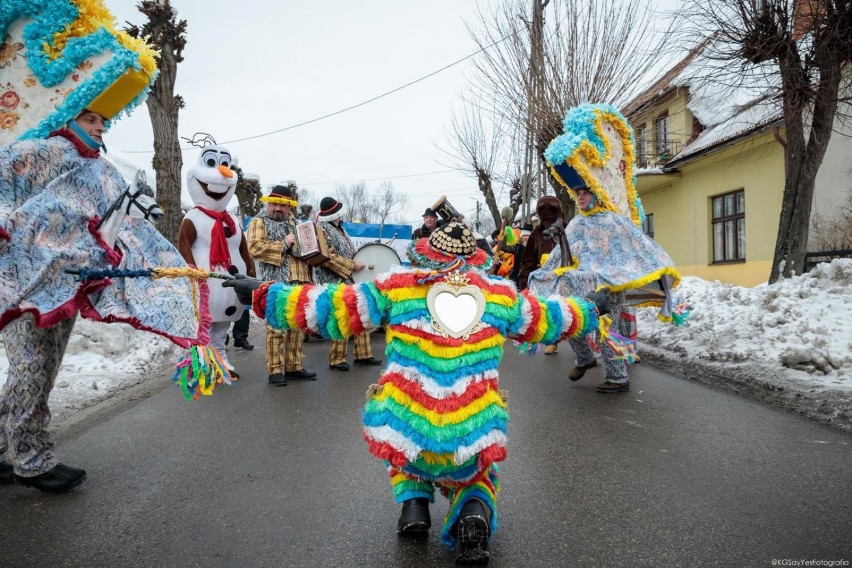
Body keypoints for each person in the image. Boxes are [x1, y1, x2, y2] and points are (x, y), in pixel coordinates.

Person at [224, 222, 609, 565]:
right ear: (474, 258)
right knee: (476, 471)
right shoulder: (501, 297)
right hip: (470, 424)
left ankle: (414, 508)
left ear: (427, 253)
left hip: (410, 420)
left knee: (405, 452)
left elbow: (332, 308)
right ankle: (473, 508)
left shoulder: (397, 288)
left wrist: (263, 294)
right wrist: (591, 309)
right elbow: (548, 319)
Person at [0, 6, 184, 492]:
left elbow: (112, 222)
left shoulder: (99, 168)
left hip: (67, 284)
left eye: (104, 120)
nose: (103, 127)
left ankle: (4, 447)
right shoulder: (36, 152)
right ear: (68, 116)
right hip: (25, 284)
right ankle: (32, 460)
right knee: (31, 370)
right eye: (93, 118)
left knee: (37, 371)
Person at [528, 102, 681, 393]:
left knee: (606, 325)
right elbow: (563, 255)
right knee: (568, 317)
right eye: (578, 193)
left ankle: (618, 377)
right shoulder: (575, 224)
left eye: (586, 192)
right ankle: (585, 359)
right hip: (582, 285)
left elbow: (637, 246)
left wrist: (627, 272)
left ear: (596, 192)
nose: (581, 197)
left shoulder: (613, 221)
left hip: (609, 285)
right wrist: (544, 273)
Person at [178, 144, 255, 378]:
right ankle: (202, 367)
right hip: (205, 286)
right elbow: (183, 248)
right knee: (204, 328)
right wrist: (192, 275)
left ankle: (221, 363)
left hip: (230, 287)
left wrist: (249, 270)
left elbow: (243, 249)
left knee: (221, 330)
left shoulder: (232, 220)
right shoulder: (192, 217)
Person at [246, 185, 316, 386]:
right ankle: (275, 370)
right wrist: (283, 245)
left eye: (283, 205)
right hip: (276, 282)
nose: (278, 208)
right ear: (268, 204)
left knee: (297, 326)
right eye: (275, 204)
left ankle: (294, 367)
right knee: (277, 327)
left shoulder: (299, 226)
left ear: (290, 207)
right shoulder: (259, 222)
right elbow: (255, 248)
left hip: (300, 282)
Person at [312, 197, 383, 371]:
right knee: (340, 319)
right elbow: (326, 256)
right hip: (334, 281)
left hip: (349, 280)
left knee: (361, 314)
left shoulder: (339, 229)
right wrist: (352, 265)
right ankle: (337, 359)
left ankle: (363, 354)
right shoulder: (322, 230)